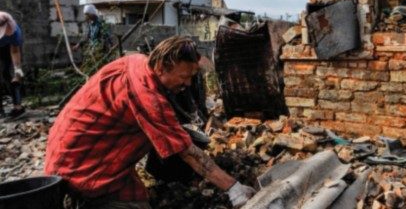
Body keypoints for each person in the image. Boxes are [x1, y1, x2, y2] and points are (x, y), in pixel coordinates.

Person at [45, 36, 255, 209]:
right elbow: (187, 152)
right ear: (163, 67)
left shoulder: (138, 61)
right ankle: (79, 200)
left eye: (191, 77)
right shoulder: (147, 95)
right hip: (80, 165)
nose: (188, 84)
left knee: (139, 199)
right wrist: (233, 188)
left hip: (79, 146)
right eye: (184, 76)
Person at [0, 11, 25, 118]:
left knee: (9, 74)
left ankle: (17, 107)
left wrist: (17, 69)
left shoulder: (15, 32)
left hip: (8, 48)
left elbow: (15, 51)